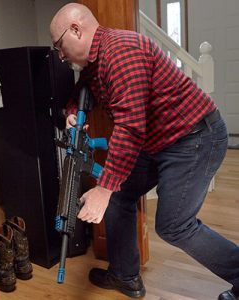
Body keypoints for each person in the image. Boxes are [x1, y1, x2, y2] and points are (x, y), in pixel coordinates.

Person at [50, 3, 239, 299]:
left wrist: (103, 188)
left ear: (76, 30)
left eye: (60, 46)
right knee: (119, 196)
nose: (60, 55)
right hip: (159, 141)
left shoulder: (122, 51)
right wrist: (72, 112)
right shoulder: (95, 63)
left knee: (174, 225)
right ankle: (125, 277)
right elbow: (82, 91)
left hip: (194, 137)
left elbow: (129, 129)